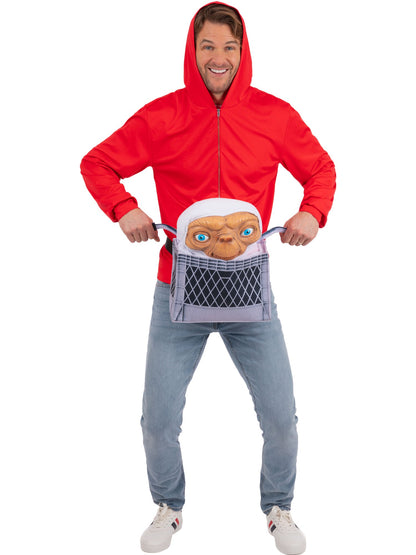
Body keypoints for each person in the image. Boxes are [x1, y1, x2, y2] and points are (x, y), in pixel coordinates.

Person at [80, 3, 336, 554]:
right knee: (157, 420)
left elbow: (320, 168)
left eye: (229, 47)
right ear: (191, 51)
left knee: (281, 418)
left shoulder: (273, 115)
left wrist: (312, 213)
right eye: (208, 47)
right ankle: (168, 507)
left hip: (250, 294)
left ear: (243, 53)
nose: (219, 58)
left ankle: (278, 508)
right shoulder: (162, 116)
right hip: (178, 293)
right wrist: (124, 208)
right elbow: (96, 163)